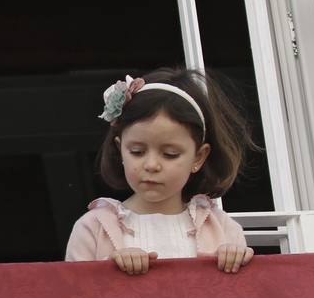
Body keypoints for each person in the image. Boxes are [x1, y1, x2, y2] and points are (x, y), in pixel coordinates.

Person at [65, 68, 256, 276]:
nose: (152, 165)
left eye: (170, 154)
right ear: (120, 148)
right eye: (137, 152)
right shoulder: (93, 227)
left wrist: (235, 262)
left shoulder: (224, 229)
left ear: (199, 157)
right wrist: (108, 273)